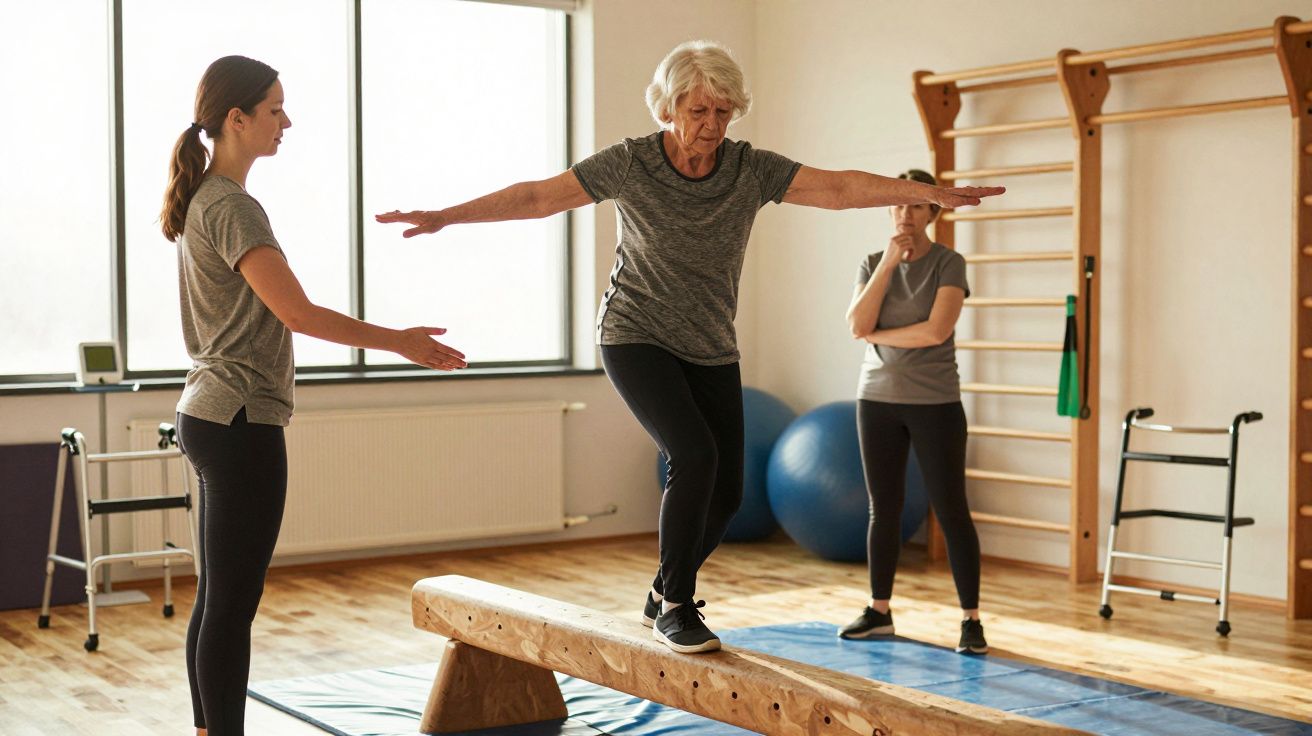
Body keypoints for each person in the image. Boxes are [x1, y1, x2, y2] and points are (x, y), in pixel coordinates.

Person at [376, 41, 1002, 655]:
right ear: (667, 109)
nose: (711, 125)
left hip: (709, 343)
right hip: (635, 332)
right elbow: (542, 197)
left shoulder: (749, 168)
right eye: (698, 111)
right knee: (694, 454)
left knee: (728, 490)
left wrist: (930, 196)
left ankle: (659, 592)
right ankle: (676, 604)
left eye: (723, 112)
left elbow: (836, 188)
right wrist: (446, 216)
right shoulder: (631, 162)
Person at [161, 55, 466, 736]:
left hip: (210, 411)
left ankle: (210, 730)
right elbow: (296, 312)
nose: (286, 121)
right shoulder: (231, 205)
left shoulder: (203, 198)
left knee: (219, 597)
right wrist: (402, 341)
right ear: (235, 119)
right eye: (274, 109)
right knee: (232, 601)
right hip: (239, 418)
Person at [839, 169, 987, 655]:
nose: (905, 213)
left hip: (935, 402)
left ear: (932, 212)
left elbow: (934, 332)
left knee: (951, 509)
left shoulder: (949, 263)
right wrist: (887, 264)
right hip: (876, 399)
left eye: (915, 205)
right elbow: (856, 322)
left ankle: (971, 619)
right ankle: (879, 611)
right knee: (883, 509)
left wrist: (878, 337)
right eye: (898, 204)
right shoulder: (870, 261)